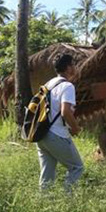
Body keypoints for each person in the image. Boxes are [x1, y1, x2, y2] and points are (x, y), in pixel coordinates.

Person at [36, 54, 84, 190]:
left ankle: (45, 205)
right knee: (77, 167)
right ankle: (68, 199)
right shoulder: (67, 86)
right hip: (57, 134)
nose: (75, 67)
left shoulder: (48, 84)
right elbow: (65, 112)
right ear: (68, 68)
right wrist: (75, 128)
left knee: (47, 175)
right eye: (73, 65)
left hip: (42, 134)